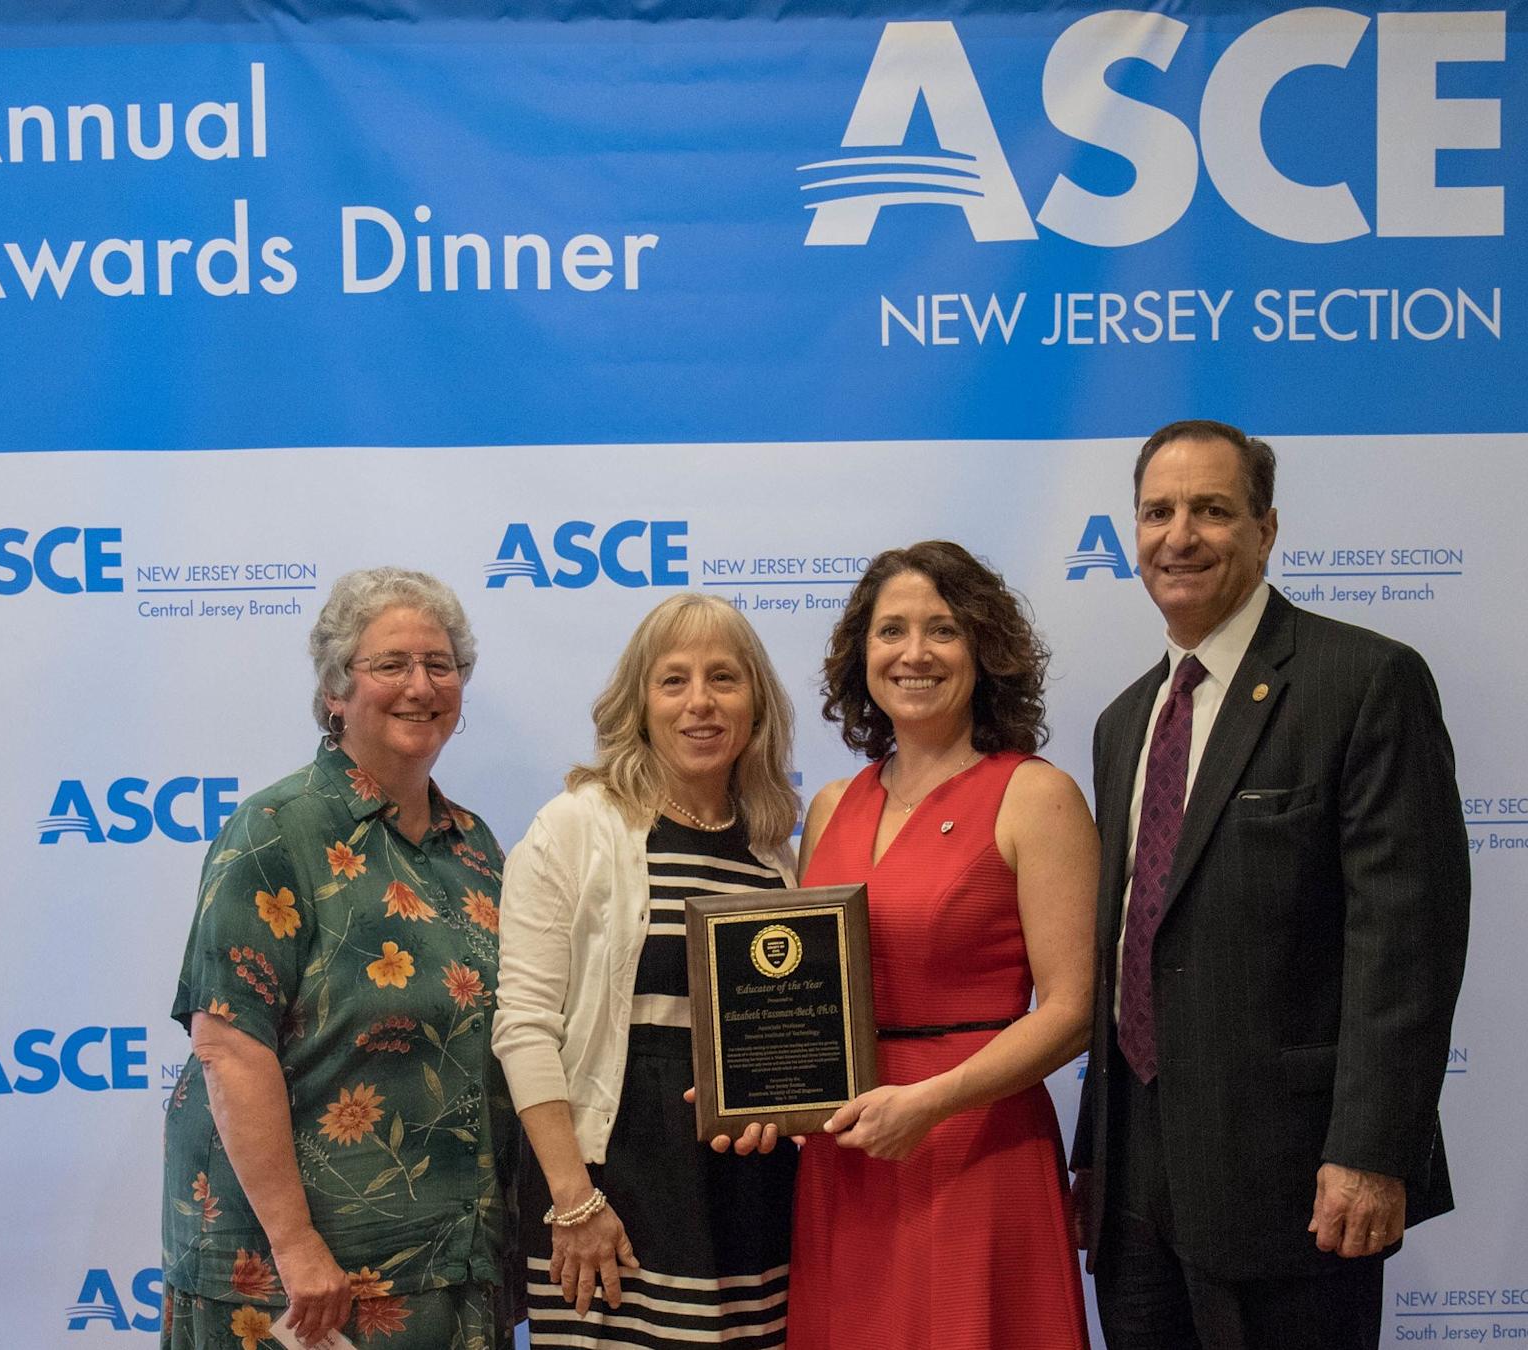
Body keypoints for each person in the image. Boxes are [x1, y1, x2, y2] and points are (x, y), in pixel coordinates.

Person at [1074, 420, 1471, 1350]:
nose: (1180, 535)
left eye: (1212, 510)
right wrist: (1097, 1153)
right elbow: (1138, 939)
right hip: (1136, 1188)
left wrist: (1371, 1155)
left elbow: (1406, 942)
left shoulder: (1364, 681)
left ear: (1266, 529)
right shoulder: (1123, 721)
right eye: (1158, 512)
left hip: (1293, 1186)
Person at [161, 567, 513, 1350]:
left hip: (444, 1263)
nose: (420, 685)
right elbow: (228, 1046)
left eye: (440, 664)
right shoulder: (275, 831)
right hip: (301, 1280)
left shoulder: (476, 846)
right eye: (390, 664)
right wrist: (296, 1245)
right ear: (334, 692)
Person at [786, 540, 1097, 1350]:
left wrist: (931, 1103)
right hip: (844, 1150)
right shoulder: (827, 806)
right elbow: (797, 1000)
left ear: (984, 651)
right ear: (862, 657)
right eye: (891, 631)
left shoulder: (1037, 795)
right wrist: (765, 1095)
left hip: (975, 1145)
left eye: (942, 630)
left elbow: (1074, 1011)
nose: (914, 653)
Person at [493, 593, 802, 1348]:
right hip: (609, 1192)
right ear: (639, 702)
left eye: (724, 678)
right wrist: (574, 1202)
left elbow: (791, 1039)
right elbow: (524, 1029)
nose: (700, 702)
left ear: (755, 702)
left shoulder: (774, 855)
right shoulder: (574, 827)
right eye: (674, 680)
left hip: (747, 1196)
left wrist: (780, 1109)